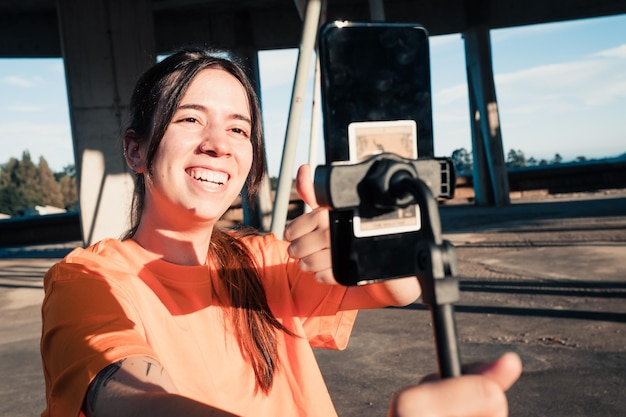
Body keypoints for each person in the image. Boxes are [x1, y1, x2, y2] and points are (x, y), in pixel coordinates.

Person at [40, 47, 520, 417]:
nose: (217, 146)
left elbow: (400, 289)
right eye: (189, 119)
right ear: (136, 151)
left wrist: (369, 240)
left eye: (239, 130)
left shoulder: (265, 260)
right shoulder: (88, 281)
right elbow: (136, 399)